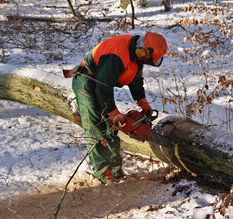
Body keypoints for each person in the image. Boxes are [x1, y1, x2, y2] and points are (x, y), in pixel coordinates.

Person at [71, 32, 168, 184]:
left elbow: (136, 82)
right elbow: (102, 88)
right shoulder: (118, 54)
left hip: (100, 84)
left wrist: (144, 104)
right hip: (86, 82)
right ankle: (103, 172)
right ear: (142, 50)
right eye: (146, 58)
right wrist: (113, 113)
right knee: (96, 127)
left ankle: (115, 168)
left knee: (112, 127)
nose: (145, 61)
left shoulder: (137, 57)